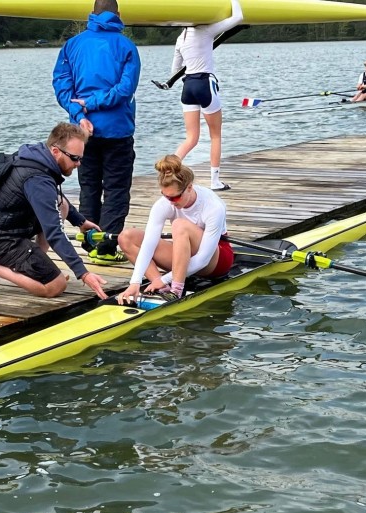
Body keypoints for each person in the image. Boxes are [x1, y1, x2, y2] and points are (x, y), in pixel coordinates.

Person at [0, 123, 108, 300]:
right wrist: (83, 273)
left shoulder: (38, 159)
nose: (78, 164)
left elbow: (54, 197)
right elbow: (54, 233)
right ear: (56, 151)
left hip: (12, 227)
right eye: (74, 158)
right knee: (55, 286)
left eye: (80, 159)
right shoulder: (37, 179)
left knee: (60, 204)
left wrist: (80, 221)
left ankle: (34, 269)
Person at [52, 0, 140, 266]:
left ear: (92, 14)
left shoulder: (72, 45)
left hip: (82, 133)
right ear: (118, 14)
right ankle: (107, 247)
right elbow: (125, 89)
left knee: (88, 184)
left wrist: (80, 114)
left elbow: (62, 86)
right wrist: (94, 103)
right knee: (116, 188)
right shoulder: (126, 47)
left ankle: (89, 238)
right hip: (117, 130)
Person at [116, 155, 233, 303]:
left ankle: (176, 290)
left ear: (189, 187)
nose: (170, 202)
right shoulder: (164, 203)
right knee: (126, 237)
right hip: (185, 258)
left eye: (175, 197)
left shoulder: (213, 206)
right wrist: (135, 282)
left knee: (179, 224)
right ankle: (162, 288)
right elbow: (148, 245)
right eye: (166, 196)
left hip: (216, 261)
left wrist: (166, 278)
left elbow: (203, 259)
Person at [171, 0, 243, 192]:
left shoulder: (180, 38)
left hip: (188, 87)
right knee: (216, 136)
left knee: (191, 138)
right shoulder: (207, 30)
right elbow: (238, 17)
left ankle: (169, 170)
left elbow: (175, 69)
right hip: (205, 84)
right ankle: (215, 181)